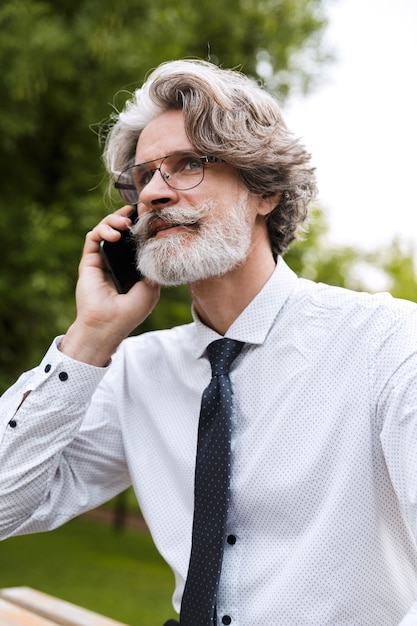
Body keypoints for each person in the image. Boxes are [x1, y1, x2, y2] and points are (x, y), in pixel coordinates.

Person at [1, 59, 417, 626]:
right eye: (143, 176)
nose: (153, 194)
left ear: (264, 190)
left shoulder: (389, 345)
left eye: (188, 164)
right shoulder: (136, 370)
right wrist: (91, 335)